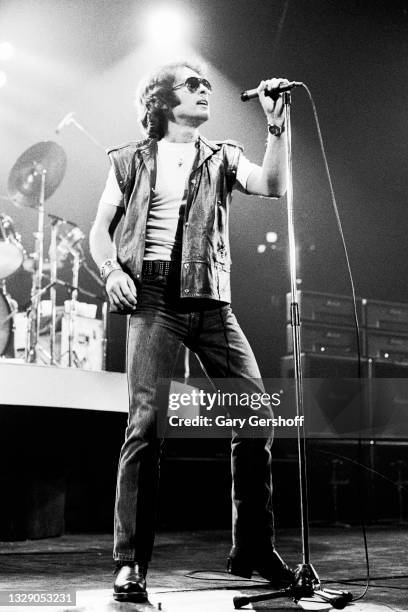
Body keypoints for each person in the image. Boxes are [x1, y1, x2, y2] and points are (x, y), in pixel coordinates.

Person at [90, 59, 294, 603]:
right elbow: (98, 232)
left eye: (207, 84)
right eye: (192, 84)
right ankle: (130, 562)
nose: (206, 90)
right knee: (146, 426)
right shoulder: (129, 160)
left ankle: (253, 548)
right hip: (152, 297)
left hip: (210, 299)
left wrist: (277, 125)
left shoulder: (222, 155)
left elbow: (273, 184)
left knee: (256, 413)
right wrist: (112, 271)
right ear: (160, 101)